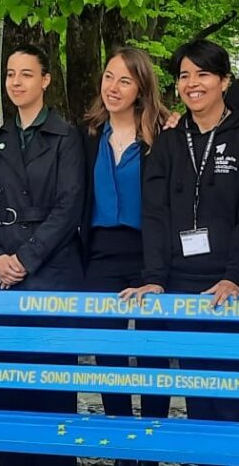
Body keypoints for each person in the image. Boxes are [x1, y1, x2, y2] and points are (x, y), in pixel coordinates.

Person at [123, 39, 239, 423]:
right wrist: (154, 278)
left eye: (203, 74)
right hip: (180, 284)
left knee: (231, 394)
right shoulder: (169, 140)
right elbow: (155, 214)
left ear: (224, 81)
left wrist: (235, 276)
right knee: (197, 392)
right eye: (184, 76)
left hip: (228, 286)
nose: (192, 84)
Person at [0, 44, 85, 466]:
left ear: (46, 80)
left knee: (51, 384)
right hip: (1, 275)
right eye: (10, 74)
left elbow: (69, 206)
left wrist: (25, 259)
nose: (16, 82)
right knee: (7, 382)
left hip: (50, 272)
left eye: (26, 74)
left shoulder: (65, 137)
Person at [81, 47, 172, 438]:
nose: (113, 88)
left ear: (141, 88)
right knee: (108, 351)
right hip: (101, 254)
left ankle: (152, 438)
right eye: (108, 77)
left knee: (153, 349)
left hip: (150, 253)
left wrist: (158, 271)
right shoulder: (87, 135)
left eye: (124, 80)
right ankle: (120, 439)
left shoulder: (162, 136)